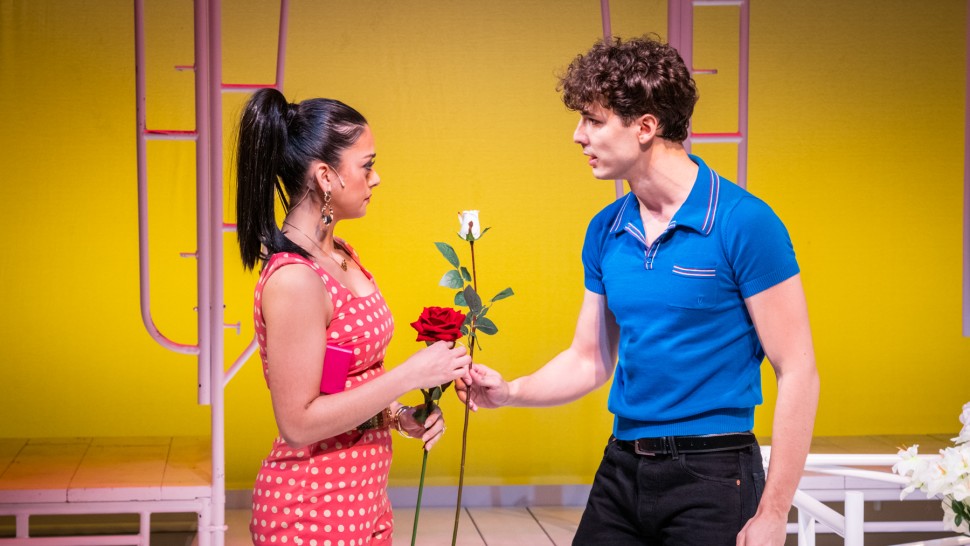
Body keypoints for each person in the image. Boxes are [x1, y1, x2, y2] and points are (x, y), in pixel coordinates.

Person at [457, 36, 819, 545]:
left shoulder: (744, 222)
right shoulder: (605, 229)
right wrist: (511, 392)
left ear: (645, 127)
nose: (578, 136)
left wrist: (774, 511)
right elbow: (590, 358)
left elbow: (798, 370)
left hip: (714, 474)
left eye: (593, 120)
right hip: (623, 468)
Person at [235, 88, 471, 546]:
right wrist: (410, 375)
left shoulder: (340, 253)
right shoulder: (296, 280)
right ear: (326, 176)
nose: (376, 178)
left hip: (364, 500)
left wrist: (397, 416)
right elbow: (298, 423)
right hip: (312, 512)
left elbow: (341, 384)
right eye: (366, 165)